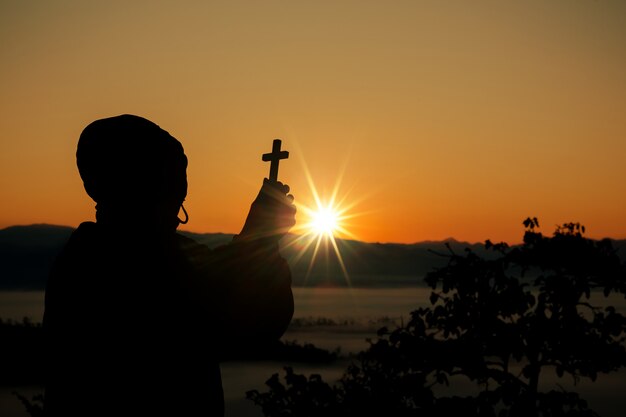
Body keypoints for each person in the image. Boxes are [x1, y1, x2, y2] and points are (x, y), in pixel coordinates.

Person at [42, 114, 296, 416]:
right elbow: (245, 325)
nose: (180, 194)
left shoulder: (84, 255)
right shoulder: (122, 260)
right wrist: (259, 241)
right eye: (174, 180)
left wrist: (256, 239)